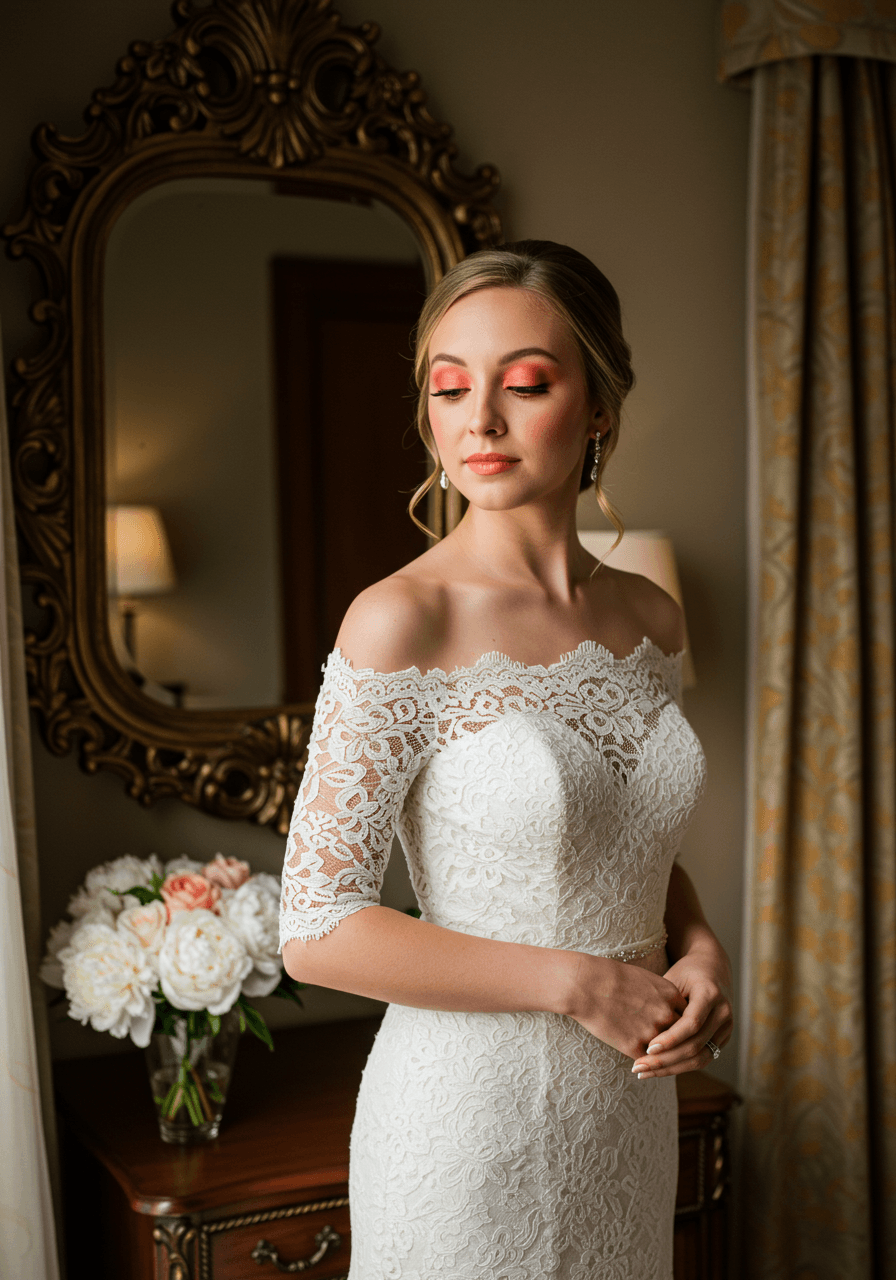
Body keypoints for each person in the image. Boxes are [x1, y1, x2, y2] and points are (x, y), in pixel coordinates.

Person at [279, 240, 733, 1278]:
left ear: (600, 405)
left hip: (625, 1113)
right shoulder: (400, 619)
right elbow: (315, 926)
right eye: (448, 386)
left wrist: (698, 948)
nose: (476, 419)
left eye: (523, 383)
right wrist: (578, 983)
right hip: (462, 1127)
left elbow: (624, 839)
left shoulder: (649, 618)